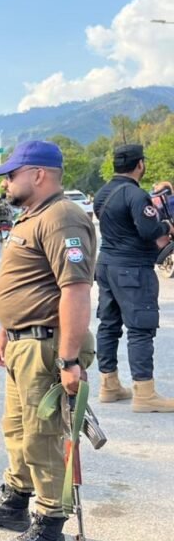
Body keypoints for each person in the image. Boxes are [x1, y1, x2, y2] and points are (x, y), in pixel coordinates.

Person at [0, 140, 97, 541]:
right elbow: (28, 284)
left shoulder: (62, 218)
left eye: (11, 174)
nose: (5, 182)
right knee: (17, 428)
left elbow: (74, 289)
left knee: (42, 437)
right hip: (23, 343)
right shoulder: (32, 216)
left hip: (47, 347)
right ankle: (17, 499)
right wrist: (6, 330)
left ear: (38, 174)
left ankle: (49, 525)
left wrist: (70, 360)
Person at [92, 144, 174, 412]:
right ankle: (144, 394)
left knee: (109, 324)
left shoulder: (103, 193)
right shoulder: (136, 195)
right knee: (140, 329)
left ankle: (109, 385)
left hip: (105, 265)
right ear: (140, 164)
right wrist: (166, 226)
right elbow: (150, 230)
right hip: (133, 268)